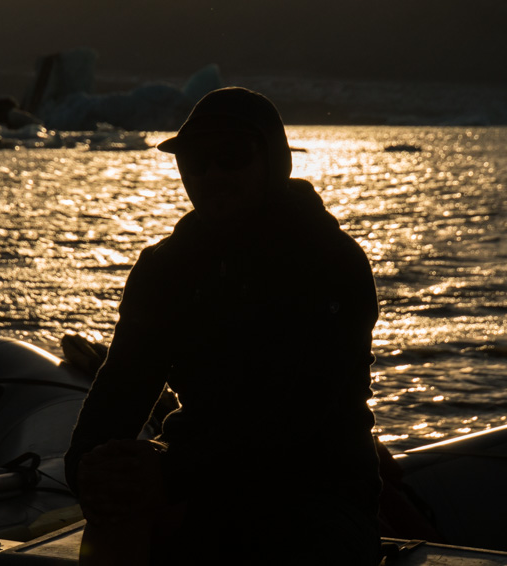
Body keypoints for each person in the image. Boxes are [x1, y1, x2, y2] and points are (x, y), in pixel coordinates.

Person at [64, 87, 382, 565]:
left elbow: (298, 414)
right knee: (113, 517)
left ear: (274, 162)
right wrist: (88, 471)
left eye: (230, 157)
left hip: (319, 494)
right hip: (195, 481)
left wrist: (170, 474)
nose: (211, 175)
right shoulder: (164, 268)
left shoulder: (330, 262)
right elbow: (122, 387)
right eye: (195, 162)